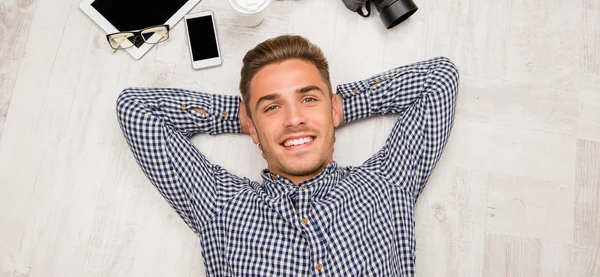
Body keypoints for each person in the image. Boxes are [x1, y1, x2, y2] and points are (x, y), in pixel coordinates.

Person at [116, 34, 459, 276]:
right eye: (273, 107)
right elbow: (137, 109)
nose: (294, 118)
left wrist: (333, 110)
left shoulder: (386, 184)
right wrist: (247, 116)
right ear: (252, 126)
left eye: (308, 99)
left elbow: (439, 79)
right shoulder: (220, 204)